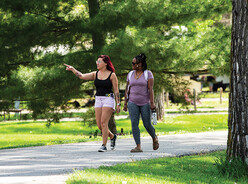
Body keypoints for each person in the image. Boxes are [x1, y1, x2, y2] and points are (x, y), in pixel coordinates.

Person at [64, 55, 120, 152]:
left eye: (99, 62)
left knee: (103, 122)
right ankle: (112, 136)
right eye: (97, 61)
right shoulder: (95, 74)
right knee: (99, 125)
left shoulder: (112, 75)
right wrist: (73, 69)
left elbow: (116, 91)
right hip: (98, 99)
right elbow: (81, 76)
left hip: (108, 99)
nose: (97, 63)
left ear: (105, 63)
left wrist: (118, 103)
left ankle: (103, 145)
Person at [123, 53, 159, 152]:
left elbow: (150, 89)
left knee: (147, 124)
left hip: (145, 102)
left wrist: (152, 103)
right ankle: (138, 146)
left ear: (140, 64)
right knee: (134, 123)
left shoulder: (148, 74)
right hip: (132, 102)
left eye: (134, 63)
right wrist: (125, 103)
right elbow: (127, 89)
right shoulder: (130, 74)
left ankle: (154, 137)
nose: (132, 65)